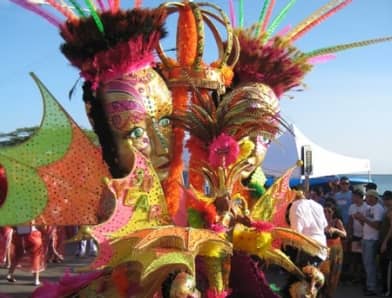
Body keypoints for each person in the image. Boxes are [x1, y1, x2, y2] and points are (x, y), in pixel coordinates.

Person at [354, 189, 385, 296]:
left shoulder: (378, 209)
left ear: (373, 198)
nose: (366, 198)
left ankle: (372, 287)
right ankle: (370, 285)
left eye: (368, 197)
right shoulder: (369, 208)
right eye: (366, 197)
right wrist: (359, 219)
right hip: (366, 238)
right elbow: (366, 224)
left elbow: (377, 226)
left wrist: (363, 218)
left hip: (372, 239)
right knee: (367, 264)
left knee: (369, 264)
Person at [289, 191, 328, 266]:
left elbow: (296, 231)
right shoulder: (318, 205)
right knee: (315, 275)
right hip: (321, 247)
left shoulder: (296, 205)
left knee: (305, 275)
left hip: (308, 247)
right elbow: (325, 225)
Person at [322, 203, 347, 298]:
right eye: (325, 211)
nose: (326, 213)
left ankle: (330, 294)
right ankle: (323, 292)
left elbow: (344, 234)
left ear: (334, 212)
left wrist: (335, 230)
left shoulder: (337, 221)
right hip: (324, 248)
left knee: (334, 272)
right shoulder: (322, 221)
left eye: (329, 211)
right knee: (324, 271)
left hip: (336, 249)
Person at [347, 188, 366, 283]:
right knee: (354, 256)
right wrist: (349, 234)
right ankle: (355, 277)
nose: (352, 198)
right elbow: (350, 221)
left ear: (359, 197)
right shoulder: (352, 207)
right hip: (355, 235)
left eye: (354, 196)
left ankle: (362, 277)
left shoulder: (366, 207)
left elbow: (367, 223)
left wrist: (360, 219)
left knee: (363, 257)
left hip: (365, 236)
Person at [379, 190, 392, 297]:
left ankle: (387, 290)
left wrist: (385, 242)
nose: (385, 201)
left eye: (388, 199)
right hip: (385, 241)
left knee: (386, 266)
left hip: (388, 243)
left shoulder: (391, 211)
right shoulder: (387, 209)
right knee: (383, 265)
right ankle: (385, 288)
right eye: (385, 199)